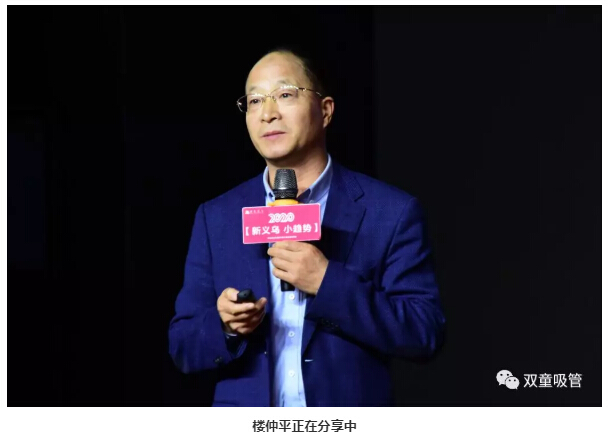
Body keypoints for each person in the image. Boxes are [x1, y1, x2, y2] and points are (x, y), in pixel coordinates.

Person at [168, 48, 446, 406]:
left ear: (325, 110)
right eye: (255, 101)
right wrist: (224, 325)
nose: (268, 113)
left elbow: (424, 332)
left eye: (285, 95)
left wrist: (328, 282)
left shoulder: (390, 212)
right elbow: (182, 345)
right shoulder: (217, 217)